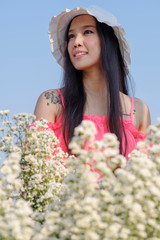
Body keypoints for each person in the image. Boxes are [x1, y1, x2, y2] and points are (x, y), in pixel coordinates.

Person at [34, 6, 151, 158]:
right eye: (71, 36)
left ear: (109, 42)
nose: (76, 42)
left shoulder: (139, 111)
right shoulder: (52, 102)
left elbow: (147, 175)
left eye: (87, 32)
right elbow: (35, 170)